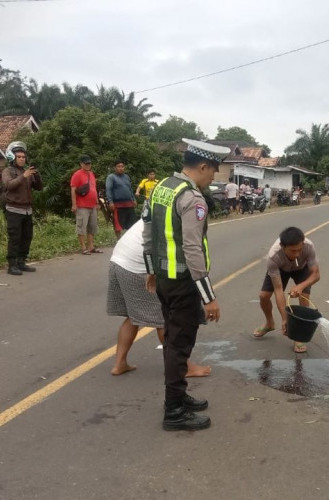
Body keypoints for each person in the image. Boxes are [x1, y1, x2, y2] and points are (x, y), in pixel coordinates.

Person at [143, 138, 230, 432]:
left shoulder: (161, 188)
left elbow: (147, 232)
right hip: (183, 283)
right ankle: (174, 411)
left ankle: (179, 396)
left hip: (166, 279)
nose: (212, 179)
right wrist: (209, 297)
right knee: (180, 345)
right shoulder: (192, 199)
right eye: (212, 172)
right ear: (202, 166)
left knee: (172, 339)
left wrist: (151, 271)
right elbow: (193, 249)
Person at [107, 219, 210, 378]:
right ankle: (184, 367)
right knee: (163, 319)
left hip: (119, 261)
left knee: (132, 316)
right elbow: (187, 254)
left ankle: (119, 363)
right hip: (137, 267)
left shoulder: (164, 204)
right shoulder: (183, 214)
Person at [253, 227, 321, 354]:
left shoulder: (309, 246)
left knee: (304, 295)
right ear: (282, 246)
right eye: (293, 251)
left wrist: (301, 286)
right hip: (281, 269)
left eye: (299, 250)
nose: (297, 254)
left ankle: (299, 336)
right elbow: (279, 290)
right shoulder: (273, 256)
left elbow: (316, 275)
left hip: (302, 268)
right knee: (263, 296)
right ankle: (269, 323)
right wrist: (285, 319)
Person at [1, 141, 43, 275]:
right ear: (12, 157)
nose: (21, 159)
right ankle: (12, 265)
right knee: (15, 238)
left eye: (23, 157)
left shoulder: (27, 172)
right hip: (13, 210)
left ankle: (21, 262)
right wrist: (23, 176)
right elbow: (8, 185)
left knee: (27, 237)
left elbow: (39, 188)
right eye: (19, 156)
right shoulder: (7, 171)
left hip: (27, 210)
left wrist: (36, 174)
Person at [70, 154, 102, 255]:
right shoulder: (77, 174)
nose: (88, 165)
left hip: (92, 205)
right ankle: (83, 247)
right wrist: (74, 205)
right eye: (86, 163)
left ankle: (91, 246)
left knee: (92, 227)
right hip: (82, 206)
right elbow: (73, 189)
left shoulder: (92, 174)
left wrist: (97, 202)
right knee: (81, 227)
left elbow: (94, 189)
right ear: (81, 164)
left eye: (89, 163)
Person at [106, 160, 137, 239]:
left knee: (132, 224)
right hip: (118, 205)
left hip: (129, 204)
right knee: (118, 225)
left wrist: (133, 199)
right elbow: (108, 190)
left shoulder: (126, 177)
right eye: (118, 166)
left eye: (122, 166)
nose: (121, 168)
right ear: (115, 168)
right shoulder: (111, 177)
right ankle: (119, 240)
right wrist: (110, 202)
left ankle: (129, 240)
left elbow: (130, 189)